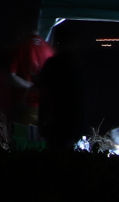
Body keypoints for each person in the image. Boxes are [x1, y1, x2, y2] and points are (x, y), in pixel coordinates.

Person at [37, 22, 88, 151]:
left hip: (55, 118)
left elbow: (42, 88)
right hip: (73, 118)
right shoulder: (77, 64)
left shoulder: (53, 63)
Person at [7, 28, 54, 129]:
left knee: (25, 141)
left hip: (27, 105)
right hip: (45, 107)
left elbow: (11, 75)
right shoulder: (48, 48)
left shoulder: (22, 46)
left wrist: (30, 85)